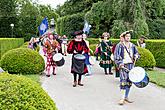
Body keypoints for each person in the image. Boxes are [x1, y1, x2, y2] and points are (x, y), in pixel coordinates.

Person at [114, 31, 139, 105]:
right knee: (123, 81)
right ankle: (122, 98)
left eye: (129, 36)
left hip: (131, 65)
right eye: (127, 36)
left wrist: (136, 56)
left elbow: (136, 53)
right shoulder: (120, 45)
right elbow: (116, 56)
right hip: (123, 65)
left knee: (129, 82)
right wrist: (119, 63)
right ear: (124, 37)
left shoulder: (133, 45)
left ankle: (126, 97)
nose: (128, 38)